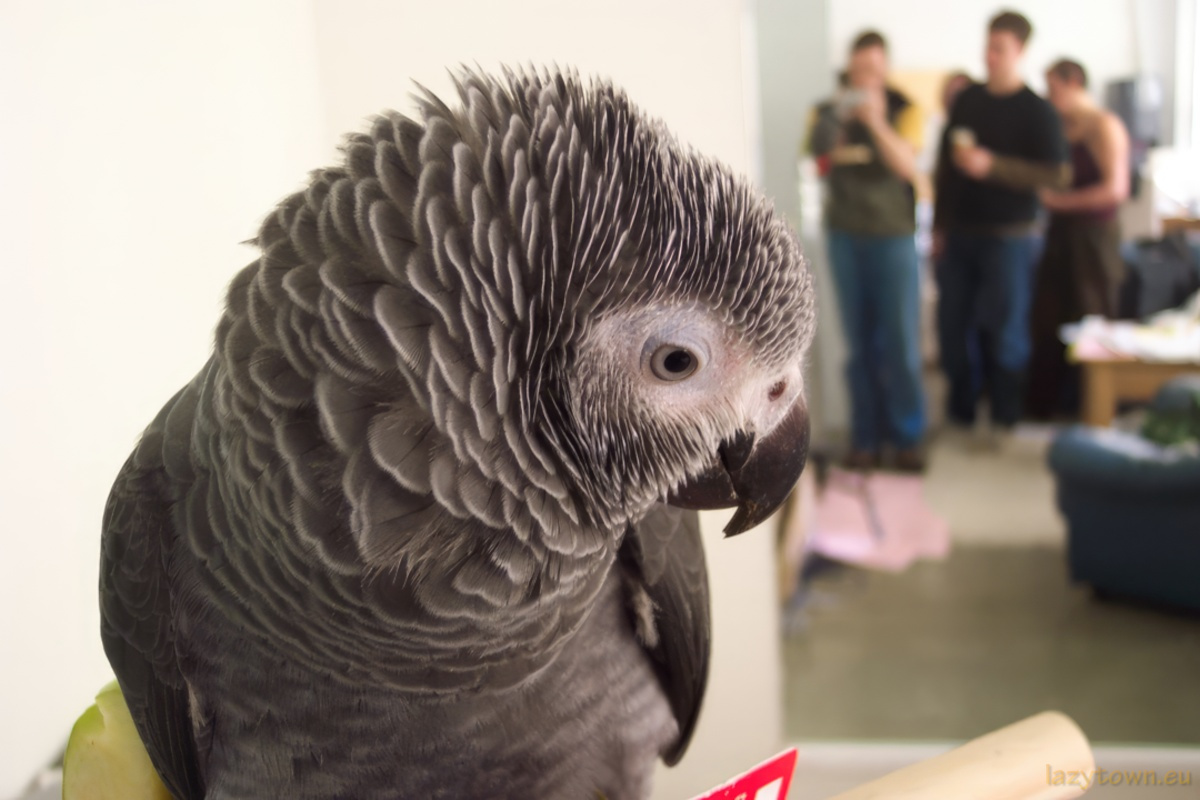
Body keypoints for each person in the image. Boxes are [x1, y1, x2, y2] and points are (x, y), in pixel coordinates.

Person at [932, 11, 1070, 439]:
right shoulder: (969, 100)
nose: (990, 56)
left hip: (1010, 239)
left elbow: (1057, 175)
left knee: (1006, 331)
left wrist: (993, 167)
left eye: (1000, 49)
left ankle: (1006, 419)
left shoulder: (1037, 110)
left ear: (1020, 52)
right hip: (960, 235)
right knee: (953, 326)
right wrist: (939, 225)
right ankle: (962, 415)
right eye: (988, 46)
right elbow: (945, 168)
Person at [806, 31, 927, 471]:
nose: (867, 78)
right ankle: (865, 438)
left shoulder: (906, 110)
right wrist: (841, 116)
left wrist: (876, 122)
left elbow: (907, 167)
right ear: (849, 69)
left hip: (893, 237)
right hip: (844, 237)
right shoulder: (826, 111)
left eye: (874, 71)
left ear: (886, 70)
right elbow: (818, 160)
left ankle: (908, 437)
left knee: (901, 344)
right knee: (857, 346)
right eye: (859, 71)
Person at [1026, 59, 1130, 419]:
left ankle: (1094, 407)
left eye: (1054, 89)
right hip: (1059, 235)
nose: (1050, 97)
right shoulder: (1060, 128)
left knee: (1093, 318)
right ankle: (1049, 405)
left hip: (1094, 238)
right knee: (1048, 317)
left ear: (1073, 84)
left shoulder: (1104, 125)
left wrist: (1060, 202)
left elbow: (1116, 189)